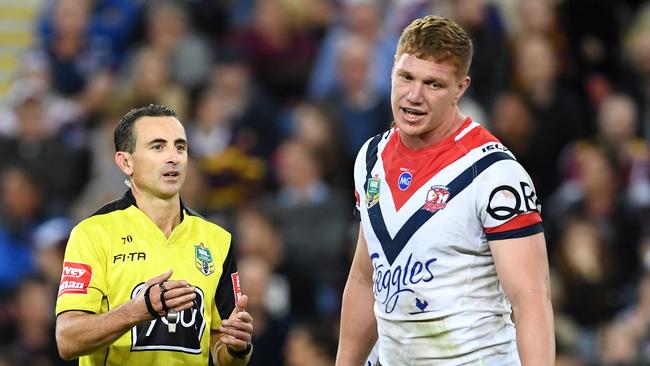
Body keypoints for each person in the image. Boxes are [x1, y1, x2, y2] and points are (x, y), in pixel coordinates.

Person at [336, 16, 554, 365]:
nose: (414, 96)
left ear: (460, 88)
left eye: (433, 84)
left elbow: (531, 298)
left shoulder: (494, 174)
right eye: (406, 77)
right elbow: (365, 277)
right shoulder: (371, 158)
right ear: (391, 69)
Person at [54, 104, 253, 365]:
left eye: (180, 147)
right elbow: (67, 340)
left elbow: (221, 352)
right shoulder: (93, 234)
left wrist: (238, 348)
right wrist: (136, 312)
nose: (173, 157)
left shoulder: (217, 240)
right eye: (158, 147)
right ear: (126, 162)